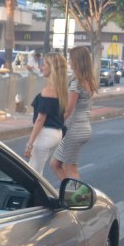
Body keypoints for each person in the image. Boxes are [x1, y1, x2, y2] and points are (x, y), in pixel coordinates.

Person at [50, 45, 98, 180]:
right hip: (82, 127)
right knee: (55, 164)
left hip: (74, 130)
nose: (68, 61)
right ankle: (67, 194)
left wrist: (55, 123)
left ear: (77, 61)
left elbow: (69, 109)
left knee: (71, 170)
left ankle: (76, 199)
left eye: (70, 59)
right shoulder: (88, 81)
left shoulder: (77, 83)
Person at [24, 52, 67, 176]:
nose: (41, 67)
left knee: (34, 174)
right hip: (57, 133)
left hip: (46, 133)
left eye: (44, 64)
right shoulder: (61, 89)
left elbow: (40, 119)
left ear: (52, 67)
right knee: (37, 171)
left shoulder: (49, 90)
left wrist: (29, 144)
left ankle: (46, 194)